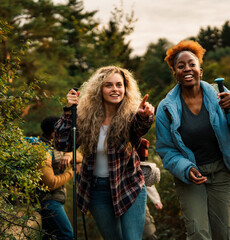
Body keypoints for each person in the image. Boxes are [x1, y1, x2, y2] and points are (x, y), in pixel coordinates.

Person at [155, 40, 230, 240]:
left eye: (192, 64)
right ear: (175, 73)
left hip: (221, 172)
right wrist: (185, 168)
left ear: (200, 69)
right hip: (190, 176)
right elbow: (166, 149)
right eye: (180, 66)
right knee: (198, 232)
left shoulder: (221, 95)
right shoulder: (166, 108)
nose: (187, 69)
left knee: (222, 233)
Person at [54, 66, 155, 240]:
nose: (115, 89)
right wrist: (68, 112)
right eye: (109, 85)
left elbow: (139, 128)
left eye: (119, 85)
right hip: (97, 190)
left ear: (125, 88)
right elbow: (63, 144)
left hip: (129, 185)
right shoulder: (86, 118)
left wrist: (145, 116)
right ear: (99, 89)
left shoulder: (131, 116)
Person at [35, 116, 82, 240]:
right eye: (61, 130)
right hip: (48, 201)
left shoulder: (57, 146)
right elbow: (51, 183)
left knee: (49, 236)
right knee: (66, 235)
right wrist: (72, 172)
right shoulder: (42, 151)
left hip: (56, 200)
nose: (64, 133)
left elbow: (80, 157)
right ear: (53, 133)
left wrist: (68, 156)